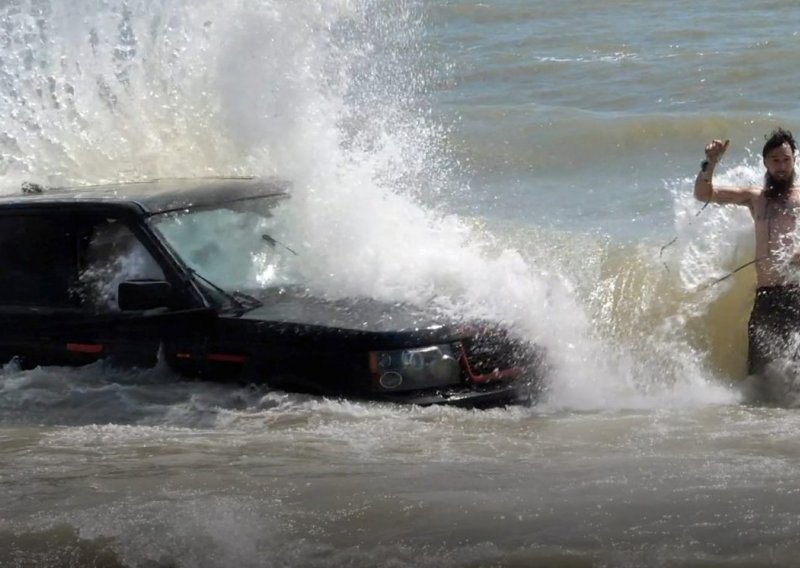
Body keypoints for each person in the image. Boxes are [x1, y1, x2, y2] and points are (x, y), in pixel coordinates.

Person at [694, 128, 800, 389]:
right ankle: (759, 426)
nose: (782, 167)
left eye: (786, 160)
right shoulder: (755, 198)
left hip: (798, 293)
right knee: (759, 376)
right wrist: (711, 164)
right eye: (775, 160)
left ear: (794, 160)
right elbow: (704, 195)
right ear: (765, 163)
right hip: (765, 297)